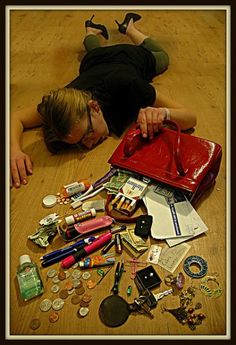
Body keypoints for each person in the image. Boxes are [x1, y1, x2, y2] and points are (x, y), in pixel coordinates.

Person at [11, 13, 197, 188]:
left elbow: (190, 117)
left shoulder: (128, 85)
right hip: (94, 60)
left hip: (130, 56)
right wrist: (13, 151)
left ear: (94, 106)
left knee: (162, 56)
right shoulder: (63, 105)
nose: (88, 144)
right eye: (79, 143)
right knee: (95, 52)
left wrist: (162, 113)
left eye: (88, 133)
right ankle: (91, 31)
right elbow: (15, 117)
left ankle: (129, 28)